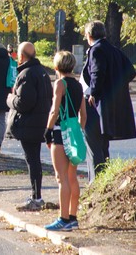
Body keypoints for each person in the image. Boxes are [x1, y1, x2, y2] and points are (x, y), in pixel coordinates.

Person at [81, 20, 136, 182]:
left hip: (98, 105)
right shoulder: (113, 50)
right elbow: (130, 72)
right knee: (104, 146)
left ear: (89, 35)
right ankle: (104, 179)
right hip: (112, 104)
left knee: (95, 147)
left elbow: (97, 74)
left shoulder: (96, 50)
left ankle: (96, 180)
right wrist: (115, 86)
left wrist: (94, 93)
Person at [7, 41, 53, 211]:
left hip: (29, 124)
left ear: (21, 56)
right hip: (40, 122)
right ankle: (36, 196)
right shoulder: (41, 72)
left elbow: (24, 102)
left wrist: (9, 99)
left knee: (32, 161)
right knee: (34, 160)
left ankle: (36, 197)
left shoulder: (26, 74)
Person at [44, 51, 86, 231]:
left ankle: (63, 218)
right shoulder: (78, 85)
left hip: (60, 133)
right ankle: (73, 217)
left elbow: (54, 110)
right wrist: (78, 131)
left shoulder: (59, 83)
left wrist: (48, 130)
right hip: (74, 133)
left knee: (61, 178)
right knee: (72, 177)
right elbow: (83, 115)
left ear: (56, 67)